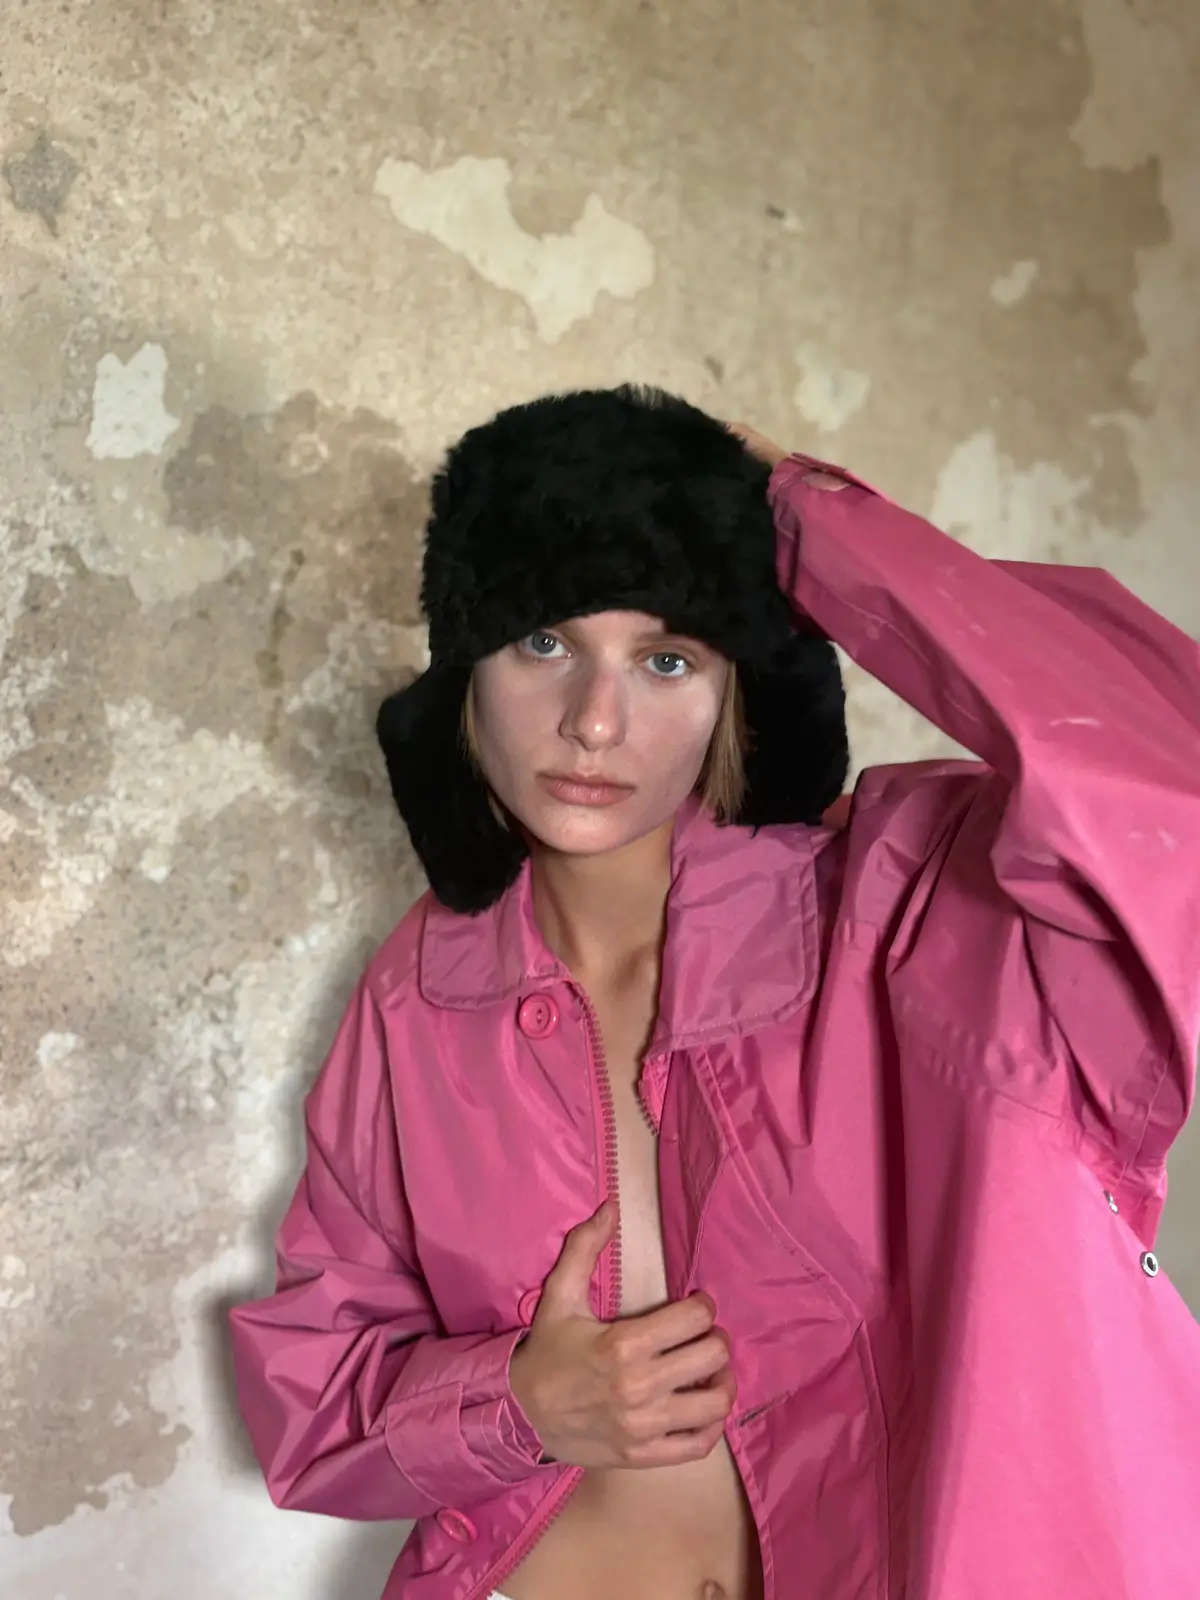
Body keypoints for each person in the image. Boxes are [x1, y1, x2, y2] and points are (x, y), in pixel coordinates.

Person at [229, 386, 1200, 1600]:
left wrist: (808, 523)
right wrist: (518, 1400)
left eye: (666, 657)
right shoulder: (416, 999)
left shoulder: (907, 906)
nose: (595, 721)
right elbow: (317, 1400)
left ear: (735, 685)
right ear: (467, 668)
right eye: (545, 643)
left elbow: (1171, 777)